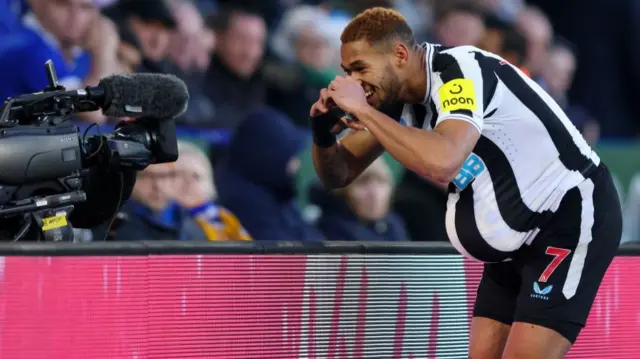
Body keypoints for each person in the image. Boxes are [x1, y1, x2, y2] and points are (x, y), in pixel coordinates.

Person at [309, 7, 622, 359]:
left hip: (567, 216)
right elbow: (338, 175)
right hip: (513, 237)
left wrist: (363, 111)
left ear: (399, 55)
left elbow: (443, 162)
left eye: (360, 68)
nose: (353, 82)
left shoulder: (459, 73)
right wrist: (323, 135)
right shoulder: (392, 98)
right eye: (347, 72)